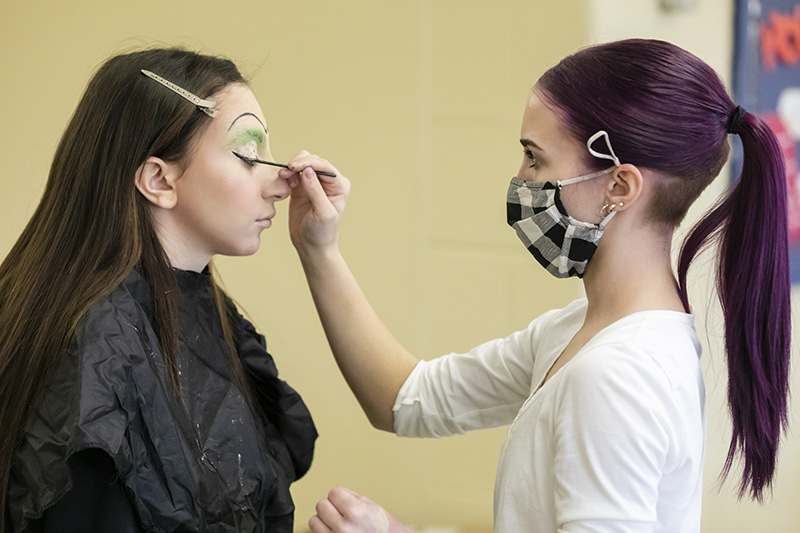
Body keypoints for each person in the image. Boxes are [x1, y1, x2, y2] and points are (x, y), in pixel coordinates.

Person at [284, 38, 792, 532]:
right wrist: (318, 248)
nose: (521, 178)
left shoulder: (617, 376)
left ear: (619, 186)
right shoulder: (579, 332)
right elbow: (403, 399)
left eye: (535, 157)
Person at [0, 48, 319, 532]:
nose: (279, 182)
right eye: (250, 155)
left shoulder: (206, 312)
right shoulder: (98, 347)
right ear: (158, 179)